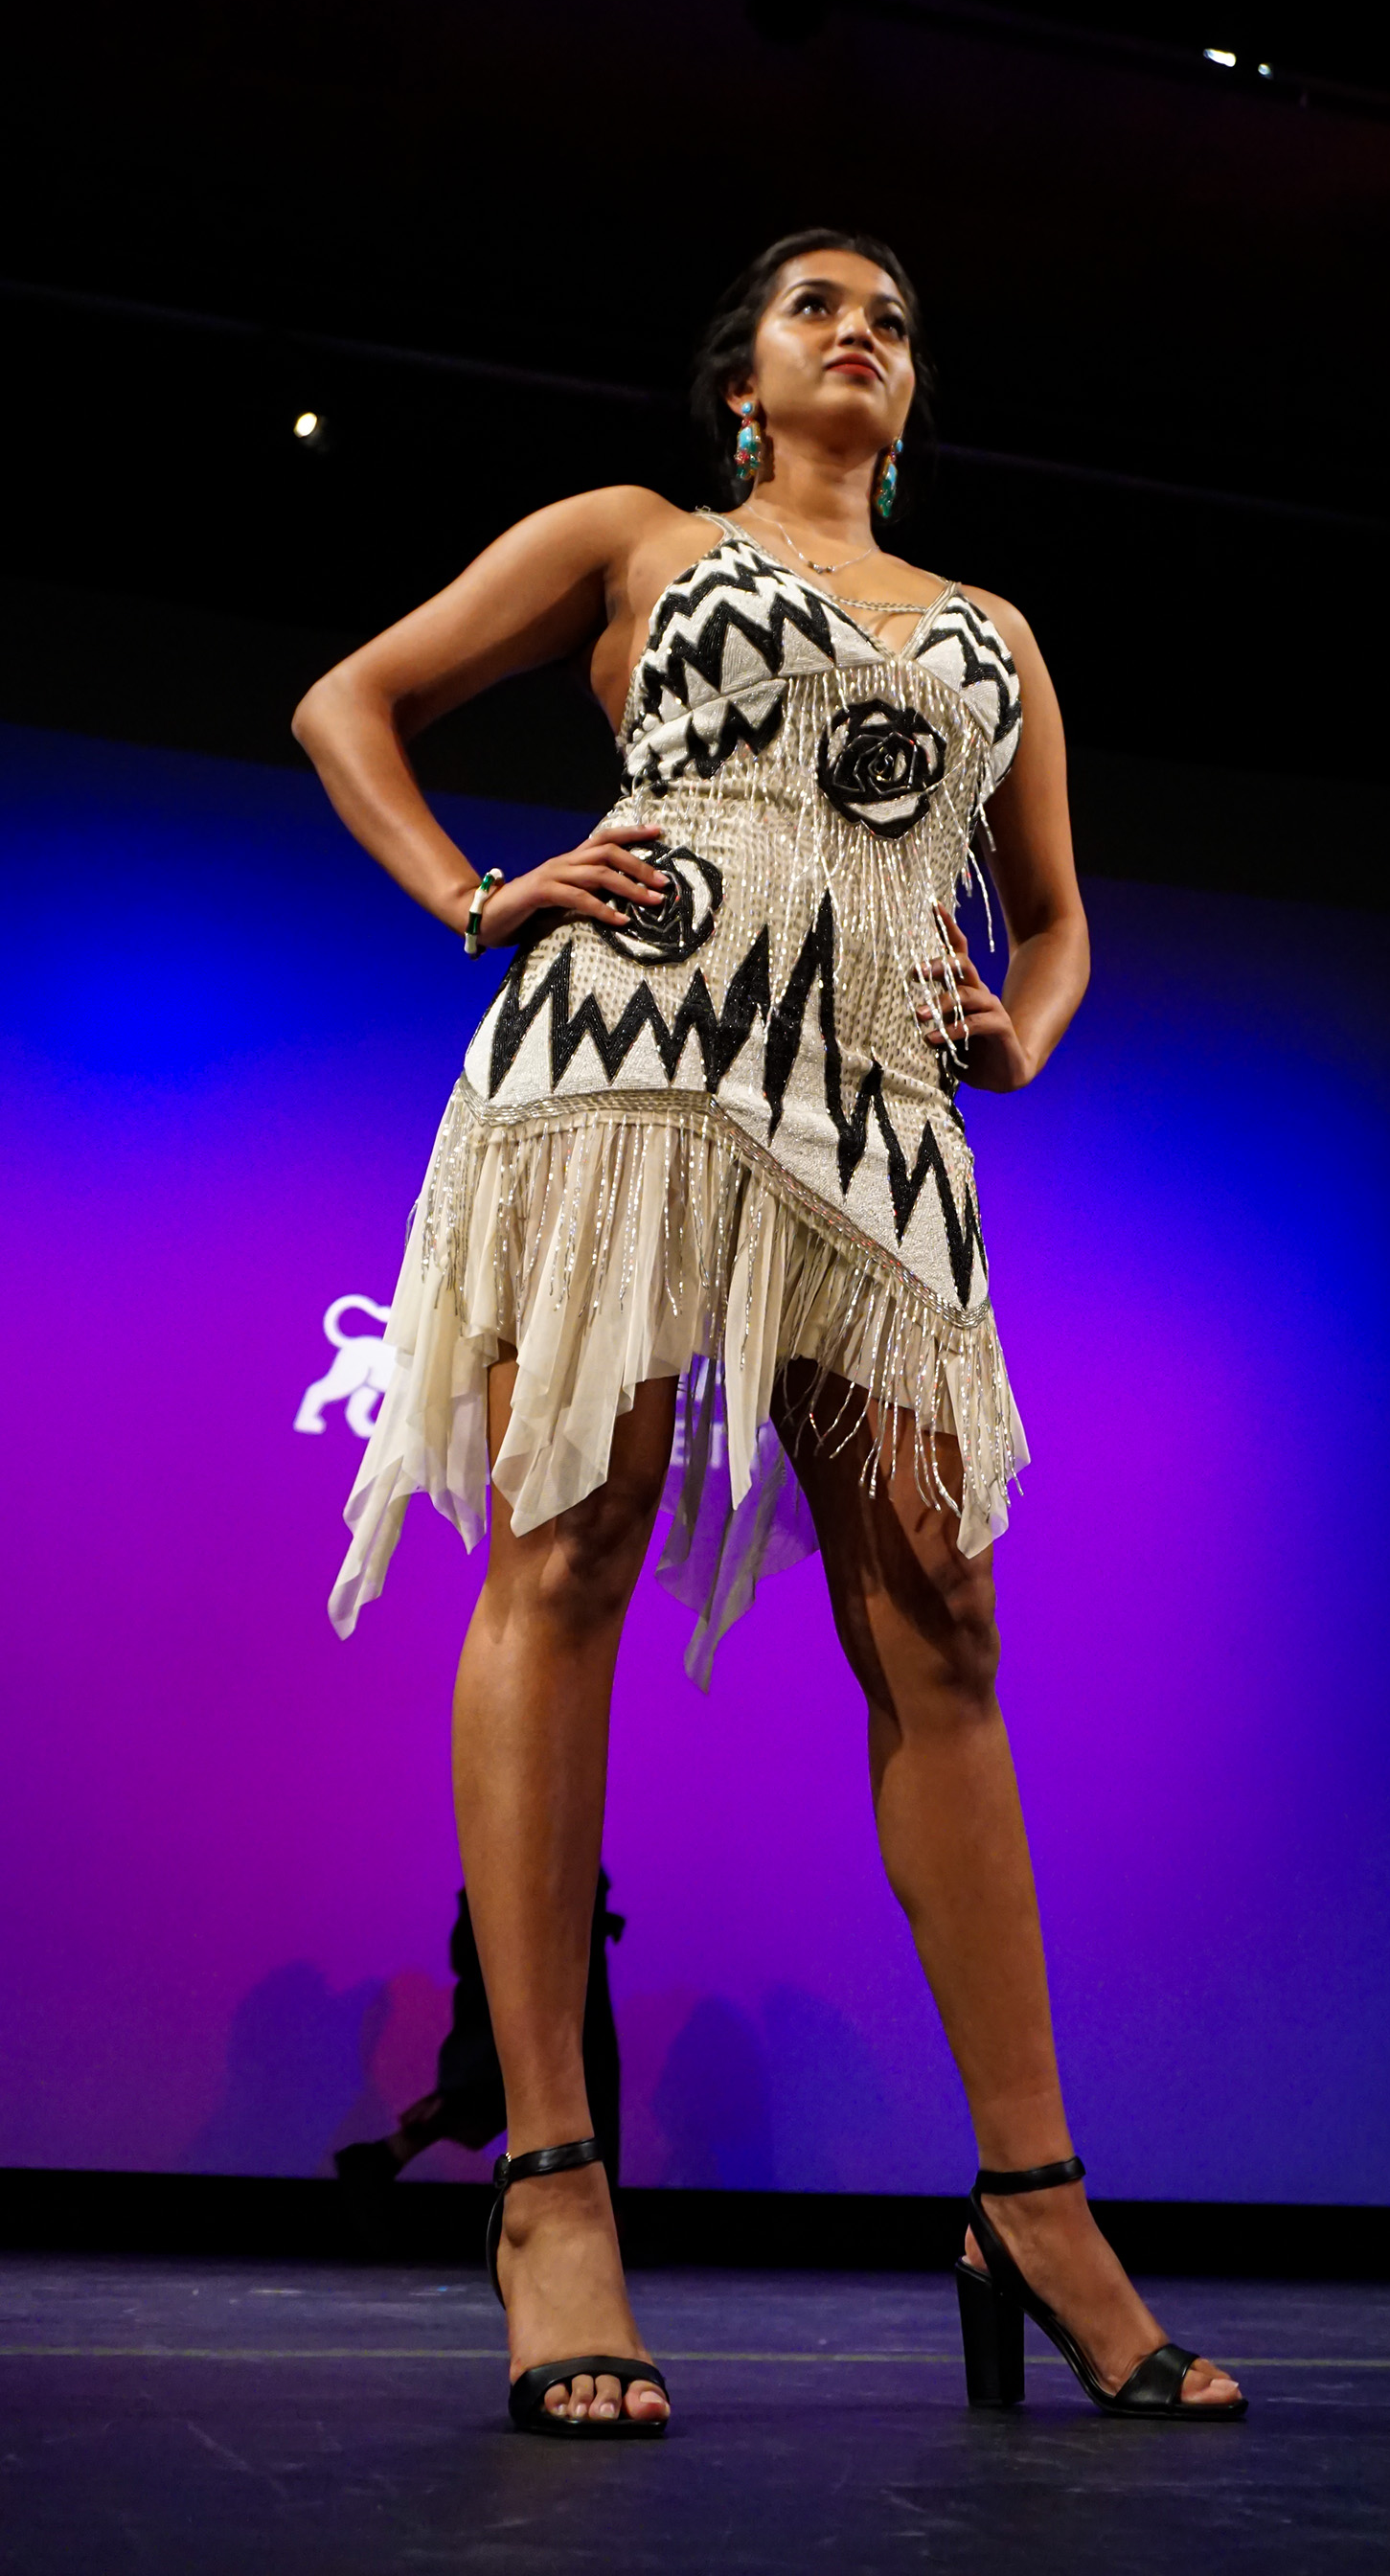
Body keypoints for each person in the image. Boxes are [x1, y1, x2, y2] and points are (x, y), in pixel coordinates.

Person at [292, 230, 1245, 2436]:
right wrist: (477, 890)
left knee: (944, 1622)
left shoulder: (991, 629)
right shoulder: (638, 539)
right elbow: (350, 699)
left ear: (909, 398)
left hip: (880, 1110)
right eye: (818, 304)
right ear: (740, 376)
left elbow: (1065, 909)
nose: (860, 330)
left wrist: (1022, 1024)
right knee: (565, 1550)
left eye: (894, 317)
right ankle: (549, 2187)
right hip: (629, 1054)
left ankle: (1034, 2194)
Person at [335, 1873, 624, 2223]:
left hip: (547, 1901)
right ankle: (589, 2211)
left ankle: (592, 2209)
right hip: (534, 1901)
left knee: (566, 2062)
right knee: (564, 2061)